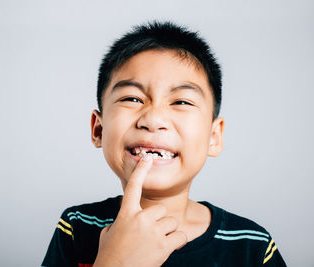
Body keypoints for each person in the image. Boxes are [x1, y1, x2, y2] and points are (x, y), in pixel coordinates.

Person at [41, 21, 287, 266]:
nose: (153, 119)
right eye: (132, 98)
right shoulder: (77, 226)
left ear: (214, 137)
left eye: (181, 102)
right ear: (99, 129)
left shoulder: (251, 245)